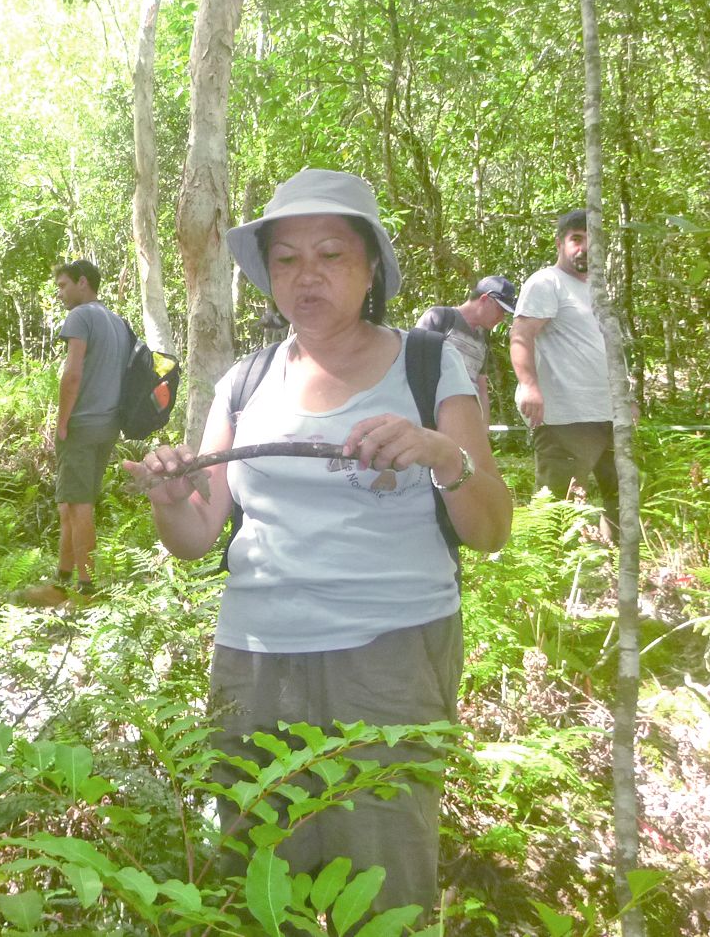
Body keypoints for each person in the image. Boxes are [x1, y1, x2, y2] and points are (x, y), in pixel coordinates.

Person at [125, 169, 512, 920]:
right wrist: (171, 500)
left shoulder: (431, 367)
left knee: (382, 876)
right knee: (253, 872)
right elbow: (197, 535)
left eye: (330, 254)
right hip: (253, 655)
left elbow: (491, 527)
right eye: (285, 259)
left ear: (371, 269)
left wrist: (440, 455)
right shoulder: (244, 380)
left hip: (388, 656)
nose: (307, 276)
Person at [24, 259, 133, 606]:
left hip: (83, 423)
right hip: (108, 424)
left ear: (82, 282)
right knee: (69, 504)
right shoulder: (117, 322)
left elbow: (72, 374)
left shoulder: (81, 317)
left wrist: (62, 421)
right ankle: (62, 582)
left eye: (62, 286)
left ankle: (86, 590)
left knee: (79, 504)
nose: (59, 294)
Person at [509, 207, 620, 532]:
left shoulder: (597, 291)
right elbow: (521, 334)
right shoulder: (547, 282)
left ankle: (615, 572)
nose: (584, 247)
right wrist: (529, 385)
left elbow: (607, 350)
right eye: (576, 239)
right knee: (552, 508)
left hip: (608, 416)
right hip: (563, 419)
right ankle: (545, 580)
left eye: (592, 240)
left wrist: (625, 400)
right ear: (560, 243)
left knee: (622, 498)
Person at [414, 274, 517, 421]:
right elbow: (414, 368)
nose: (501, 318)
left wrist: (483, 429)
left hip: (466, 421)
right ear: (484, 299)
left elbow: (481, 385)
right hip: (433, 417)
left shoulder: (484, 337)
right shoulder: (439, 318)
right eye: (500, 310)